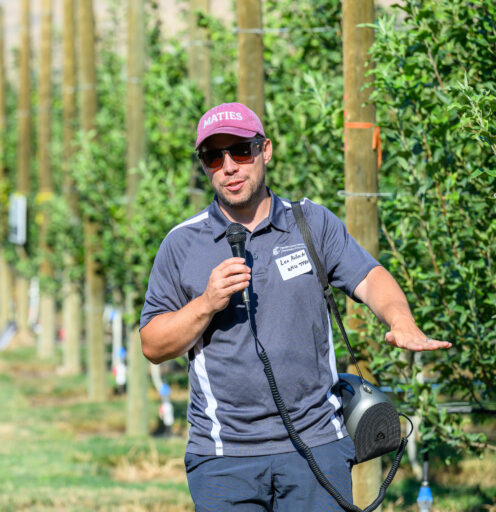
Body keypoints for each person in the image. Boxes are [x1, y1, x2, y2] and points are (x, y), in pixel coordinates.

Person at [139, 102, 451, 511]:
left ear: (265, 150)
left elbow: (370, 277)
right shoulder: (181, 244)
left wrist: (401, 320)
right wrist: (206, 304)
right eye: (214, 156)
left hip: (316, 447)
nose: (229, 166)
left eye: (241, 150)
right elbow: (152, 345)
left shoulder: (311, 223)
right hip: (222, 457)